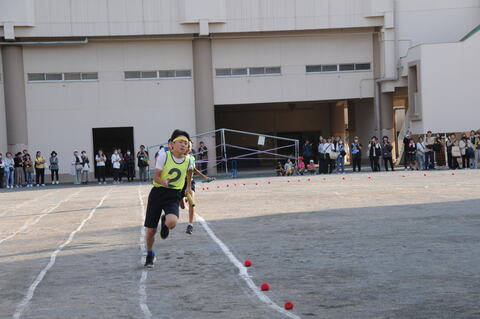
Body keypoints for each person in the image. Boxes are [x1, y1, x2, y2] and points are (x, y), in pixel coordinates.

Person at [144, 129, 194, 268]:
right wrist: (162, 181)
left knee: (172, 223)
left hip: (173, 195)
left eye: (186, 143)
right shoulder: (164, 156)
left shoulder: (188, 160)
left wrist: (188, 187)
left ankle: (165, 221)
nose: (184, 145)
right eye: (180, 142)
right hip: (158, 193)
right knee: (150, 231)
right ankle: (150, 254)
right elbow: (155, 177)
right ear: (172, 144)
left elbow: (190, 172)